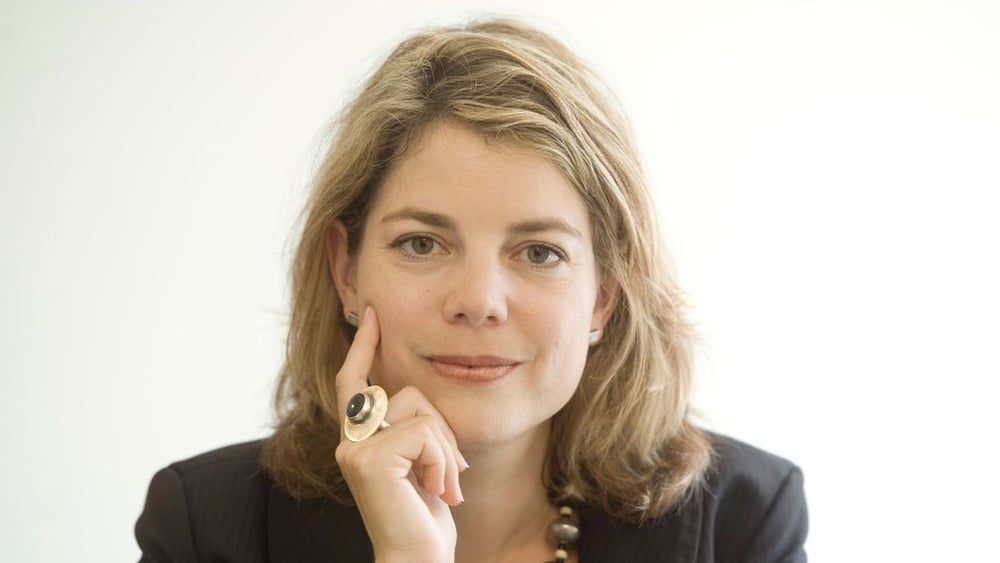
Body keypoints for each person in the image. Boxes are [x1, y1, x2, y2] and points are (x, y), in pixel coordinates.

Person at [135, 18, 807, 563]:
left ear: (604, 293)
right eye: (422, 244)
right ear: (347, 271)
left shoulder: (744, 522)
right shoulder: (203, 530)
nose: (479, 300)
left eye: (539, 252)